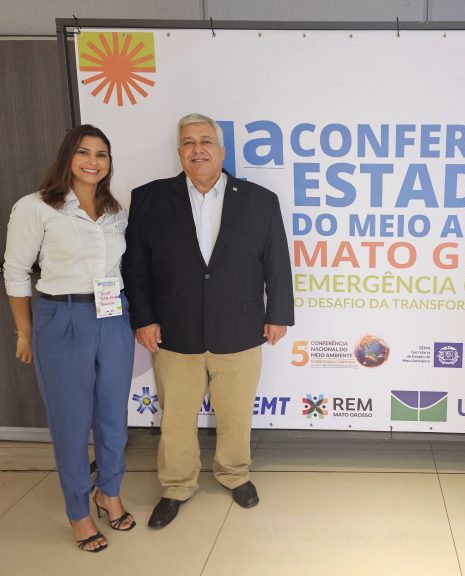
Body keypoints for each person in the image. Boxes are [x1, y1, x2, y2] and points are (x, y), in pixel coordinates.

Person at [123, 113, 294, 529]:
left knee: (235, 414)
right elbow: (136, 267)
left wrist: (278, 314)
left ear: (221, 150)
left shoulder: (259, 200)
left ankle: (234, 474)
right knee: (176, 418)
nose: (196, 149)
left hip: (240, 328)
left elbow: (276, 261)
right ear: (178, 151)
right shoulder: (148, 199)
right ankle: (176, 486)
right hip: (173, 329)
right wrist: (143, 318)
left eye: (205, 141)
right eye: (188, 142)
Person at [4, 125, 136, 552]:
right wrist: (25, 332)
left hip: (113, 315)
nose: (93, 161)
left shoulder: (116, 210)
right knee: (71, 424)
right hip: (61, 317)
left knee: (113, 419)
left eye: (101, 154)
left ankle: (109, 493)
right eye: (83, 152)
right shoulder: (36, 207)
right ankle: (79, 511)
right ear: (67, 156)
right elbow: (16, 272)